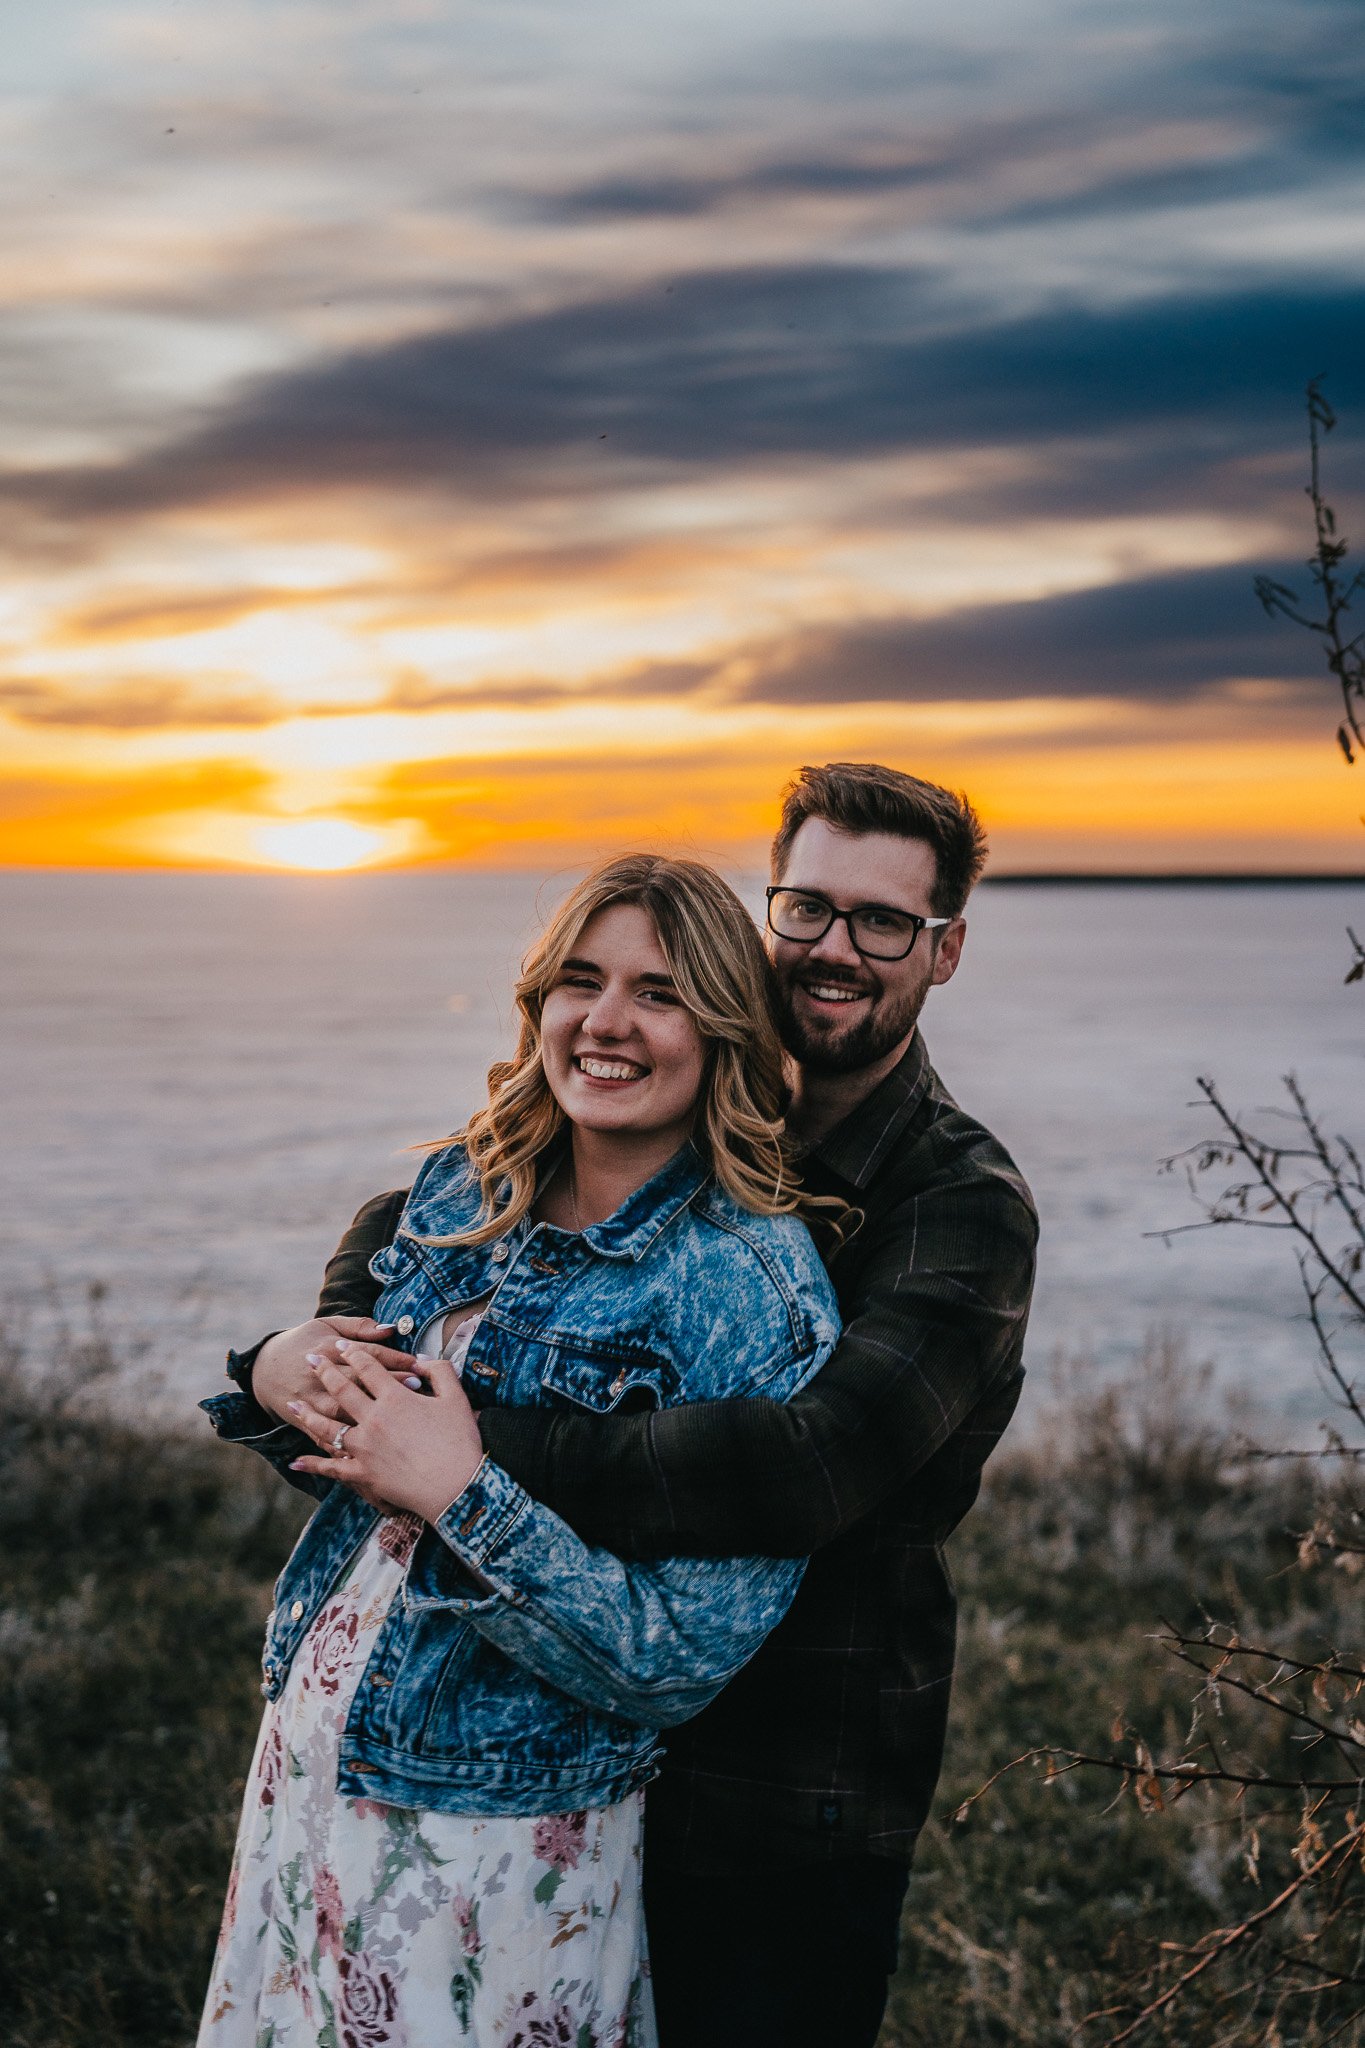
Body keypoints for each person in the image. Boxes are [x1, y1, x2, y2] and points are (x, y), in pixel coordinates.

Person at [237, 761, 1039, 2048]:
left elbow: (809, 1465)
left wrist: (459, 1447)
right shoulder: (615, 1132)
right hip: (527, 1752)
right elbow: (418, 1238)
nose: (835, 948)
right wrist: (284, 1357)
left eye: (883, 921)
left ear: (942, 951)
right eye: (807, 907)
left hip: (780, 1784)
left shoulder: (955, 1200)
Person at [197, 853, 842, 2048]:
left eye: (659, 992)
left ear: (723, 1028)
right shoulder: (467, 1183)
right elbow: (362, 1439)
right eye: (580, 981)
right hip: (307, 1759)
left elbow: (675, 1660)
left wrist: (468, 1497)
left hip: (491, 1829)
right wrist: (276, 1364)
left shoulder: (746, 1288)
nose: (605, 1021)